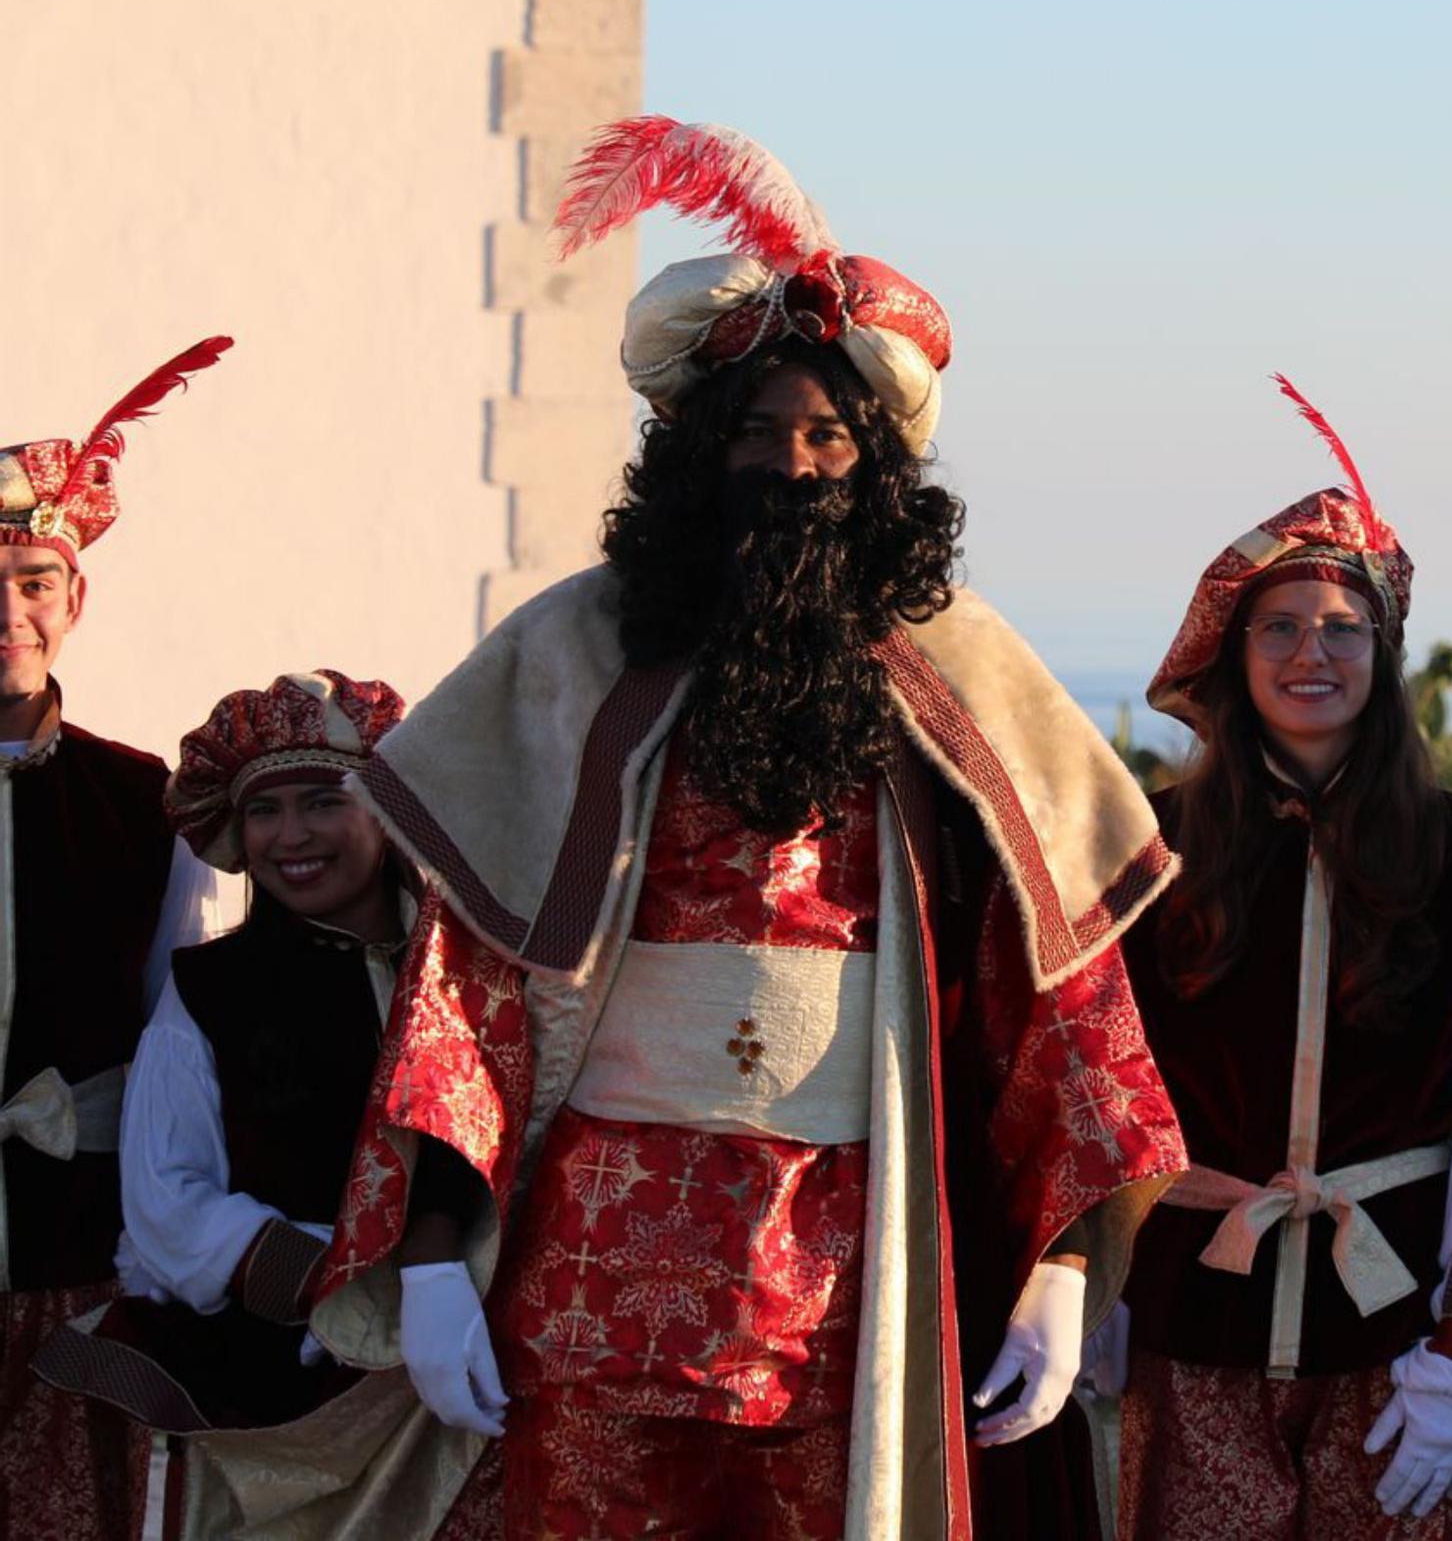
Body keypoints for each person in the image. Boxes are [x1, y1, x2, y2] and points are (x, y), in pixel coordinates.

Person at [310, 115, 1188, 1540]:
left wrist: (1071, 1262)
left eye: (827, 436)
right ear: (695, 455)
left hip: (849, 1250)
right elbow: (458, 985)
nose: (791, 466)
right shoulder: (568, 654)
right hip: (590, 1251)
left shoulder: (958, 676)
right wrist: (427, 1251)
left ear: (875, 467)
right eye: (760, 434)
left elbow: (1063, 985)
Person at [1113, 377, 1452, 1541]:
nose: (1313, 650)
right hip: (1193, 1333)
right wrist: (1094, 1298)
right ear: (1236, 651)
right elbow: (1105, 1090)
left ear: (1383, 651)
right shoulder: (1151, 843)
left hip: (1400, 1344)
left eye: (1343, 626)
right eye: (1281, 625)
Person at [35, 669, 502, 1536]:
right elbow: (167, 1203)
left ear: (385, 810)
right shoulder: (213, 988)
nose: (292, 835)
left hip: (464, 1368)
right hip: (280, 1396)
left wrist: (443, 1283)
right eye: (263, 810)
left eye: (323, 800)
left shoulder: (469, 976)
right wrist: (338, 1285)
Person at [0, 337, 237, 1539]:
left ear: (75, 598)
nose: (10, 613)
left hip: (76, 1271)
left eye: (36, 580)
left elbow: (173, 1051)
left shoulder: (149, 806)